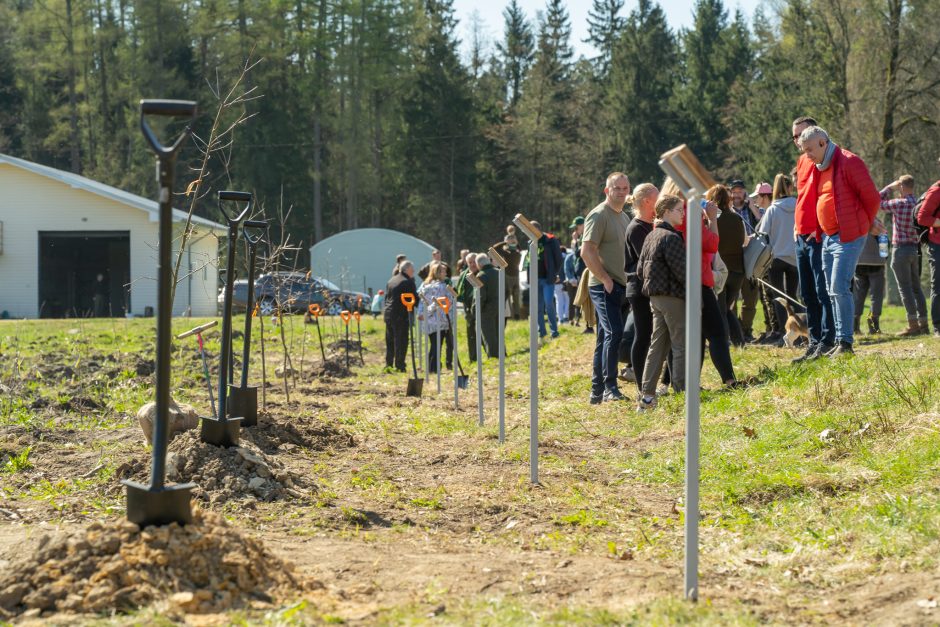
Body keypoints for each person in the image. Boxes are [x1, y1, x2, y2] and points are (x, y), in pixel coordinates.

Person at [799, 125, 880, 356]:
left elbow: (872, 198)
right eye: (804, 151)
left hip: (849, 236)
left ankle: (845, 344)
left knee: (838, 287)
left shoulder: (849, 162)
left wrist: (866, 223)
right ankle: (838, 340)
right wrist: (818, 228)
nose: (807, 155)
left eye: (810, 149)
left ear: (823, 143)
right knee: (830, 290)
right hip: (827, 237)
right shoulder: (819, 167)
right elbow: (819, 200)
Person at [581, 172, 632, 403]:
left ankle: (597, 391)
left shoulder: (623, 217)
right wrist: (605, 279)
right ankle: (611, 387)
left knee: (604, 338)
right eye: (616, 188)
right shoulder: (599, 215)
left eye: (624, 188)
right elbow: (587, 251)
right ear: (607, 190)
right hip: (604, 286)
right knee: (614, 333)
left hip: (622, 286)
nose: (621, 192)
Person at [636, 195, 687, 410]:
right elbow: (683, 272)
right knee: (681, 344)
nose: (683, 213)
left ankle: (647, 396)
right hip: (672, 296)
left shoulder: (651, 236)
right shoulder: (671, 237)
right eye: (679, 210)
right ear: (666, 211)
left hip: (654, 298)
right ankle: (684, 391)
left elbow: (640, 271)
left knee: (657, 345)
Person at [792, 115, 836, 362]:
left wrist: (818, 228)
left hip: (817, 235)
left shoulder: (824, 159)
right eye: (795, 136)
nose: (798, 140)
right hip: (801, 234)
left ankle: (829, 340)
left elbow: (826, 196)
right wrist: (796, 227)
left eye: (802, 134)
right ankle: (815, 341)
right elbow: (802, 197)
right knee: (807, 293)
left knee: (823, 291)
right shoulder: (801, 161)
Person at [880, 175, 928, 336]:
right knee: (916, 288)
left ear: (901, 186)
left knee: (904, 288)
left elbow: (878, 202)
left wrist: (889, 187)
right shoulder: (919, 203)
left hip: (900, 249)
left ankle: (912, 325)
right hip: (915, 250)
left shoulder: (899, 203)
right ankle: (924, 324)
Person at [624, 184, 659, 390]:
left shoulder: (652, 225)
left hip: (651, 287)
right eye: (657, 196)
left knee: (655, 336)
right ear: (647, 201)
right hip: (639, 290)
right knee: (643, 335)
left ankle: (661, 381)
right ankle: (641, 386)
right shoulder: (637, 228)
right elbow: (647, 260)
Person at [758, 174, 799, 345]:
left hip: (777, 258)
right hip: (795, 258)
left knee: (779, 297)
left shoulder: (772, 209)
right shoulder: (798, 205)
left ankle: (784, 333)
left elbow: (763, 233)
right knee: (792, 296)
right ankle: (798, 332)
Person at [713, 184, 747, 346]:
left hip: (721, 270)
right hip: (738, 270)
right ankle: (739, 341)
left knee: (721, 310)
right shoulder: (737, 218)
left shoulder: (712, 220)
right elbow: (743, 241)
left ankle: (723, 342)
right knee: (726, 309)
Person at [529, 220, 564, 341]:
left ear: (537, 229)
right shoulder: (531, 242)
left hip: (548, 279)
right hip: (535, 279)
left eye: (531, 230)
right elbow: (529, 262)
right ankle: (542, 332)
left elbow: (559, 259)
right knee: (537, 306)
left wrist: (554, 274)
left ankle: (554, 331)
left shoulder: (550, 240)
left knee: (549, 304)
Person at [417, 261, 454, 373]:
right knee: (437, 345)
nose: (445, 273)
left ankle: (431, 367)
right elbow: (440, 302)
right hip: (440, 320)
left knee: (434, 344)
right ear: (437, 273)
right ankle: (433, 368)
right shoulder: (442, 287)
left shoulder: (425, 286)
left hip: (428, 321)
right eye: (443, 271)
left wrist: (421, 314)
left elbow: (421, 302)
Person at [853, 218, 888, 334]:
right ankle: (873, 326)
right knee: (876, 296)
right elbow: (884, 243)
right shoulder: (877, 222)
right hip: (876, 264)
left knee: (858, 295)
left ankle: (855, 326)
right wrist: (884, 258)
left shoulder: (857, 221)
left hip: (859, 262)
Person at [916, 174, 940, 337]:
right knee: (938, 285)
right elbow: (922, 218)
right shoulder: (936, 192)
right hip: (937, 244)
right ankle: (938, 326)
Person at [383, 261, 417, 372]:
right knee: (401, 340)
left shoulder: (391, 280)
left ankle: (389, 363)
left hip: (389, 313)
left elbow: (387, 298)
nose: (414, 272)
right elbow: (414, 299)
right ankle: (400, 365)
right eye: (412, 270)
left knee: (390, 340)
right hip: (401, 314)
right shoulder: (407, 282)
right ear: (407, 270)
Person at [455, 252, 480, 361]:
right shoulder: (464, 275)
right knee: (471, 335)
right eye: (470, 262)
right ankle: (473, 358)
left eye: (474, 262)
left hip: (482, 308)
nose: (473, 264)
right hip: (469, 308)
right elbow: (459, 292)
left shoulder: (482, 273)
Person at [476, 253, 501, 357]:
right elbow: (507, 290)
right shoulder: (499, 272)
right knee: (498, 332)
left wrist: (478, 309)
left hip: (486, 309)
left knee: (488, 335)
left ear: (479, 265)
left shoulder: (481, 275)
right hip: (499, 306)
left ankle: (493, 356)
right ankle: (502, 353)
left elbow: (481, 295)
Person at [493, 229, 522, 319]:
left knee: (513, 297)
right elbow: (495, 248)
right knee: (511, 297)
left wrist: (508, 242)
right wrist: (506, 242)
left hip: (513, 276)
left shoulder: (513, 252)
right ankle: (512, 315)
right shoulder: (511, 253)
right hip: (511, 276)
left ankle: (514, 315)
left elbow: (495, 248)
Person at [555, 246, 571, 323]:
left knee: (559, 301)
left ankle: (560, 318)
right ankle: (566, 317)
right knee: (567, 300)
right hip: (566, 283)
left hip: (557, 283)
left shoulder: (555, 258)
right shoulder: (567, 258)